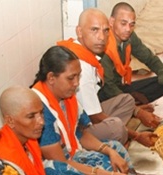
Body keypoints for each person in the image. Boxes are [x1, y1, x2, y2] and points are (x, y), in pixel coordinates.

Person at [32, 46, 137, 175]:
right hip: (56, 167)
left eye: (78, 76)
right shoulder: (38, 108)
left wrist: (109, 151)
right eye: (71, 78)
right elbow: (60, 162)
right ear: (51, 78)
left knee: (117, 150)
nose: (76, 83)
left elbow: (80, 133)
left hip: (73, 153)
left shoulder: (67, 96)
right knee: (106, 171)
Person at [58, 8, 157, 146]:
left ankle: (118, 135)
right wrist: (137, 136)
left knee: (127, 100)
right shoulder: (81, 67)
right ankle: (110, 139)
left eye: (105, 31)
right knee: (116, 126)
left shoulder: (85, 53)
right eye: (94, 30)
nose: (102, 37)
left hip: (84, 113)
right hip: (75, 128)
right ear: (79, 32)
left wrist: (136, 111)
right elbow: (95, 117)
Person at [99, 2, 163, 114]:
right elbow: (108, 87)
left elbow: (149, 58)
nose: (128, 29)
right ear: (111, 22)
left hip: (119, 87)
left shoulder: (129, 37)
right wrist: (135, 110)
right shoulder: (102, 45)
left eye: (131, 25)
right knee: (117, 108)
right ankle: (131, 108)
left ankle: (131, 105)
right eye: (123, 23)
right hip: (104, 95)